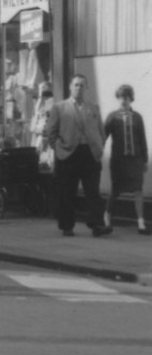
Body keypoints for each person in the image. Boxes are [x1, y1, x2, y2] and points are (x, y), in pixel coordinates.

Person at [44, 74, 110, 237]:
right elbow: (50, 132)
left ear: (86, 88)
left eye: (82, 85)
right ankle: (67, 226)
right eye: (76, 85)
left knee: (93, 192)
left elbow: (101, 131)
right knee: (67, 192)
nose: (79, 88)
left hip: (89, 153)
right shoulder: (60, 107)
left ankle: (97, 225)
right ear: (70, 87)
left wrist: (99, 147)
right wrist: (58, 149)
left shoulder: (93, 107)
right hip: (68, 155)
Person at [102, 84, 149, 235]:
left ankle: (141, 223)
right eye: (121, 97)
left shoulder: (137, 117)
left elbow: (142, 139)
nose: (124, 100)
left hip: (135, 160)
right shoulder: (112, 117)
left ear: (131, 99)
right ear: (118, 98)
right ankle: (107, 217)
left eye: (127, 97)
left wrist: (145, 159)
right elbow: (103, 137)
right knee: (115, 190)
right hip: (119, 161)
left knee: (138, 190)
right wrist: (97, 152)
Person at [31, 82, 56, 171]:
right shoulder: (38, 104)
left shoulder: (53, 103)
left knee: (49, 161)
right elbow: (33, 125)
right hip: (39, 136)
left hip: (49, 138)